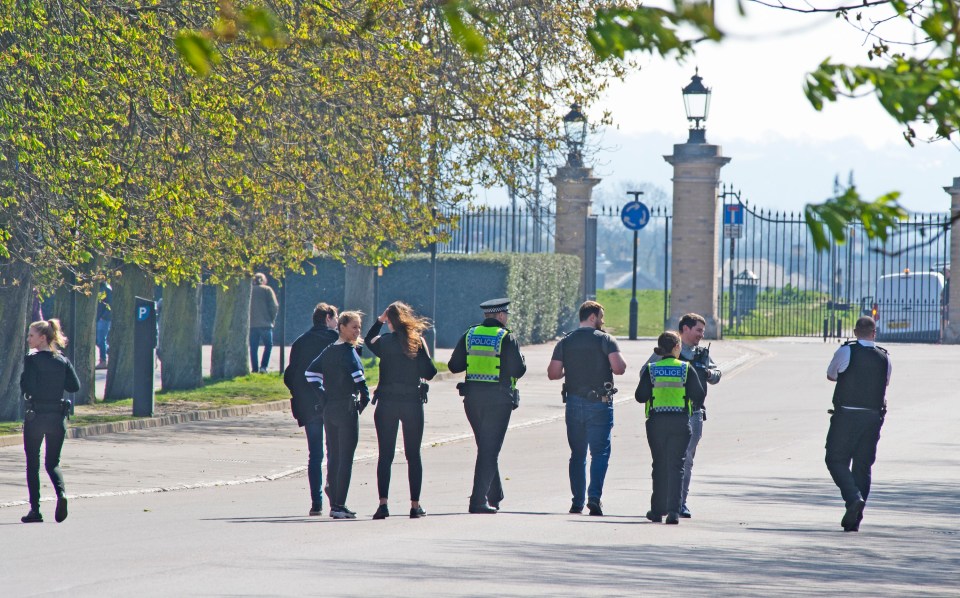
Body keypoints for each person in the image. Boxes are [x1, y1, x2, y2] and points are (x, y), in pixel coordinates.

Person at [547, 300, 626, 516]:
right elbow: (619, 369)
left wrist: (569, 371)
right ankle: (594, 498)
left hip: (573, 402)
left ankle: (577, 502)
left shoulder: (566, 341)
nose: (603, 321)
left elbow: (553, 373)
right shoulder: (606, 340)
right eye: (601, 316)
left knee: (578, 454)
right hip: (599, 403)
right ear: (592, 317)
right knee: (600, 453)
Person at [448, 298, 526, 514]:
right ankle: (477, 500)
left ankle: (494, 494)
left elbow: (454, 366)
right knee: (489, 450)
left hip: (472, 401)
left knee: (486, 448)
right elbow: (518, 370)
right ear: (500, 316)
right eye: (506, 315)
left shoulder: (470, 335)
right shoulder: (506, 337)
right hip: (498, 401)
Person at [365, 302, 438, 520]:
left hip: (387, 403)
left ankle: (383, 504)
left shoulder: (384, 342)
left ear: (389, 321)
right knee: (413, 455)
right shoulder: (416, 343)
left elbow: (368, 340)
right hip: (411, 403)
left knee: (385, 455)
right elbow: (431, 372)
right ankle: (415, 505)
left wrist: (379, 320)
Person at [647, 313, 721, 519]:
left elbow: (717, 374)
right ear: (685, 329)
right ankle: (668, 504)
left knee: (686, 461)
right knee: (668, 461)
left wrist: (707, 373)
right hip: (667, 413)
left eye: (702, 331)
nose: (701, 334)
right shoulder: (667, 351)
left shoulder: (702, 354)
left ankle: (680, 503)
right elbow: (646, 373)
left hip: (694, 413)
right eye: (698, 330)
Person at [825, 316, 891, 532]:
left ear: (855, 332)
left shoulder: (846, 351)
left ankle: (853, 498)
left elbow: (831, 375)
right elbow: (885, 382)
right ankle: (855, 517)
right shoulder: (885, 358)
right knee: (863, 466)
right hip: (873, 418)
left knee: (835, 459)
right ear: (874, 333)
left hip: (846, 415)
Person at [305, 311, 370, 519]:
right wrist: (361, 403)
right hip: (346, 408)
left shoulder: (329, 350)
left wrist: (323, 396)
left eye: (359, 327)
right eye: (354, 327)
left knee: (334, 456)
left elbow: (310, 373)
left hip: (329, 409)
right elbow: (361, 384)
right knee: (345, 458)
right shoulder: (349, 352)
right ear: (341, 327)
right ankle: (339, 504)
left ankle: (334, 502)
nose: (357, 331)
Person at [635, 331, 704, 525]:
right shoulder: (685, 368)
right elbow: (698, 395)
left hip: (657, 422)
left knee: (659, 465)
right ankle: (674, 511)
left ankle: (657, 511)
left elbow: (640, 396)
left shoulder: (652, 369)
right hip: (680, 422)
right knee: (677, 466)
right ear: (675, 348)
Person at [20, 319, 80, 524]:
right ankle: (61, 494)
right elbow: (74, 386)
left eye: (31, 335)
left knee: (32, 464)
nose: (28, 339)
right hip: (57, 417)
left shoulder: (32, 359)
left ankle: (35, 510)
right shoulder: (62, 359)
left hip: (36, 417)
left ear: (42, 337)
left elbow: (27, 387)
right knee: (53, 463)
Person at [283, 302, 339, 516]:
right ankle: (334, 492)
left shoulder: (300, 342)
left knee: (315, 454)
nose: (337, 323)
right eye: (335, 318)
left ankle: (316, 502)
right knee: (334, 451)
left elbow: (290, 375)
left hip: (308, 404)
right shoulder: (336, 340)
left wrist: (301, 393)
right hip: (332, 402)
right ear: (327, 318)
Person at [249, 272, 279, 373]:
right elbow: (274, 306)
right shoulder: (267, 290)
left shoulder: (250, 290)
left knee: (253, 347)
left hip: (252, 324)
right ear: (264, 280)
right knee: (268, 345)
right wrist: (272, 319)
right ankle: (263, 367)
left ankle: (254, 369)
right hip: (266, 324)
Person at [95, 282, 112, 370]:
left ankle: (103, 360)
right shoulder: (99, 288)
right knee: (98, 340)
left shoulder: (107, 289)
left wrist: (103, 317)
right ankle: (110, 352)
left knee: (101, 339)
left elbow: (110, 305)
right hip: (98, 318)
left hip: (103, 319)